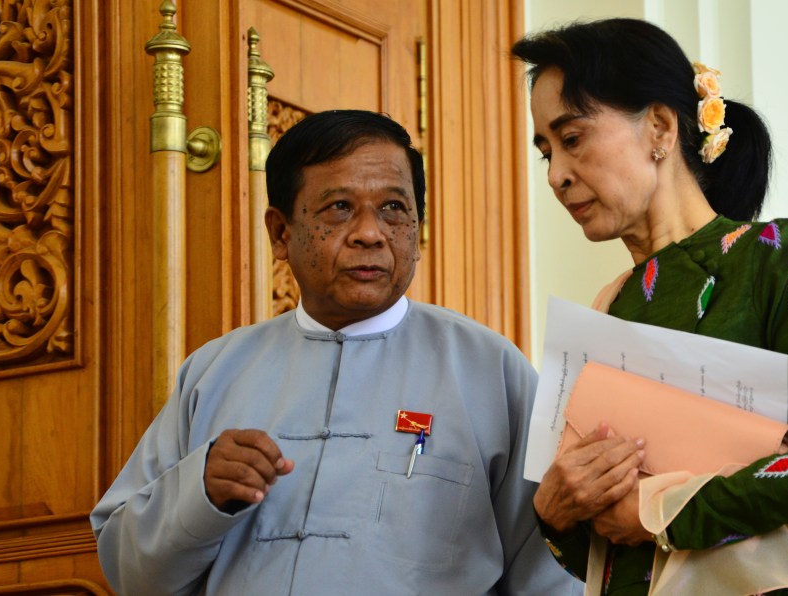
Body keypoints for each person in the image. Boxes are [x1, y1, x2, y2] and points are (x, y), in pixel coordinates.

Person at [90, 109, 580, 595]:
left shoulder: (489, 370)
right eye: (339, 207)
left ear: (418, 229)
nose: (370, 233)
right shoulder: (213, 372)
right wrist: (200, 493)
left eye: (393, 208)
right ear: (280, 233)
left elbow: (552, 574)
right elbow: (129, 573)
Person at [512, 18, 788, 595]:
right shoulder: (606, 311)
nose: (556, 175)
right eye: (545, 152)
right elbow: (608, 556)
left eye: (572, 138)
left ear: (658, 126)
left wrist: (669, 510)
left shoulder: (772, 258)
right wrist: (555, 513)